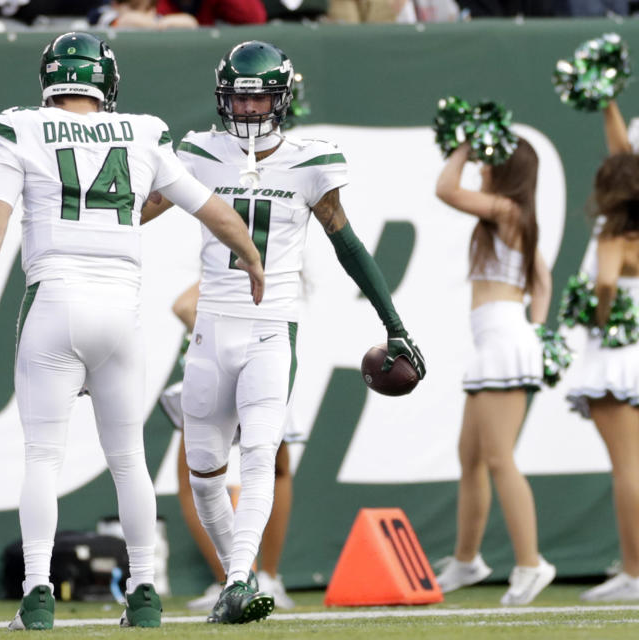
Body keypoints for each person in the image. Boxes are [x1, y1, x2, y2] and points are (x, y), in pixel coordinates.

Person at [0, 31, 264, 630]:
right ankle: (145, 590)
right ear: (106, 81)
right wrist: (252, 258)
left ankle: (39, 592)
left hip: (56, 301)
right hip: (121, 309)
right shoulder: (142, 131)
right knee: (129, 459)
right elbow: (210, 207)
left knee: (42, 457)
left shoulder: (22, 126)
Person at [142, 40, 425, 624]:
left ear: (282, 98)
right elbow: (136, 213)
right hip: (211, 323)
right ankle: (234, 580)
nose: (247, 112)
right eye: (238, 101)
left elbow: (347, 244)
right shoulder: (198, 150)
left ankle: (244, 577)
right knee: (203, 471)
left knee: (262, 455)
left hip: (273, 325)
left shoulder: (310, 158)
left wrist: (393, 322)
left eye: (259, 99)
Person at [433, 139, 555, 605]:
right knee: (471, 458)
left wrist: (462, 146)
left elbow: (445, 188)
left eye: (488, 162)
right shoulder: (511, 218)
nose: (480, 168)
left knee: (500, 458)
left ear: (505, 172)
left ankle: (531, 563)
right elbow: (541, 280)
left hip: (505, 342)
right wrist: (539, 331)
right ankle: (467, 560)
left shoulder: (507, 210)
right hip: (498, 342)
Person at [158, 282, 299, 611]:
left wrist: (220, 337)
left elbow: (182, 305)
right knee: (269, 468)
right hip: (262, 359)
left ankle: (238, 577)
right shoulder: (280, 267)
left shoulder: (227, 268)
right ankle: (256, 577)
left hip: (226, 367)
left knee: (204, 475)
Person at [565, 154, 639, 601]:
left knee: (626, 469)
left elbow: (606, 284)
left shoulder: (614, 235)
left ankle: (633, 571)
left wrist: (600, 315)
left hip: (616, 361)